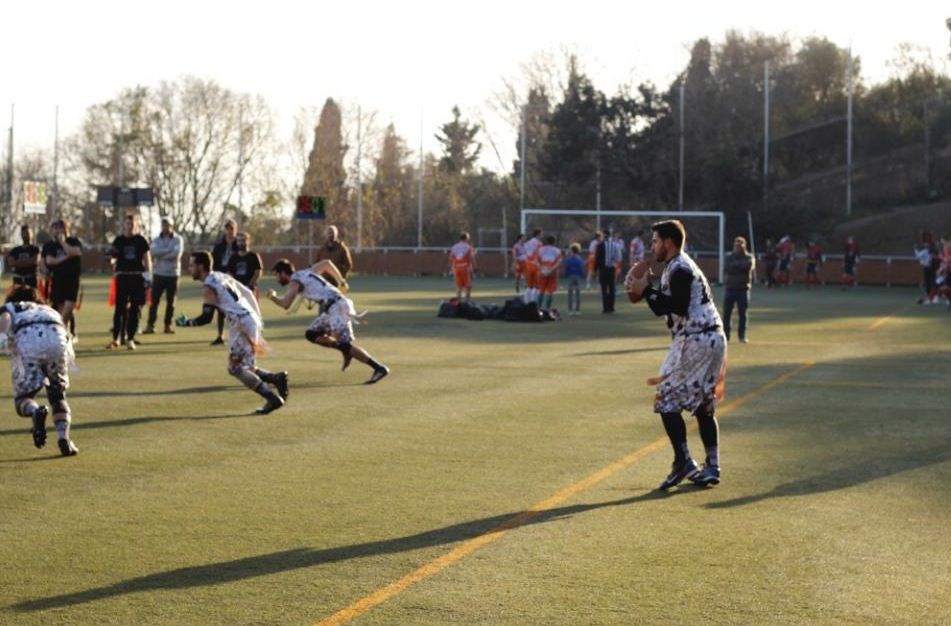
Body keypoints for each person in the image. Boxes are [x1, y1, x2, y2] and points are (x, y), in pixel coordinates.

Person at [625, 219, 727, 490]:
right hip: (712, 337)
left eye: (655, 241)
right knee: (704, 404)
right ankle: (712, 465)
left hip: (697, 338)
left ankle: (684, 461)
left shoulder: (679, 267)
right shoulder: (678, 266)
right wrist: (648, 292)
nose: (652, 246)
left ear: (668, 242)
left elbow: (678, 306)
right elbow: (664, 308)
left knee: (666, 400)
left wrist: (645, 290)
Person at [175, 251, 287, 414]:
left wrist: (187, 322)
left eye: (192, 265)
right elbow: (248, 293)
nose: (189, 268)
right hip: (249, 318)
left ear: (201, 266)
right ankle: (276, 378)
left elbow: (206, 318)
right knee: (247, 366)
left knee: (235, 368)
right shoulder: (221, 275)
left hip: (241, 324)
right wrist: (258, 319)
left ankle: (272, 398)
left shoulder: (208, 286)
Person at [267, 258, 389, 384]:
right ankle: (345, 350)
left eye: (276, 275)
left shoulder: (295, 281)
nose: (277, 279)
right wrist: (341, 281)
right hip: (333, 307)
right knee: (311, 333)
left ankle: (379, 368)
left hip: (337, 306)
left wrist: (272, 297)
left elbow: (286, 304)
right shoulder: (307, 272)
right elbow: (327, 264)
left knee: (345, 345)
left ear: (283, 273)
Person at [0, 286, 79, 456]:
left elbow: (5, 316)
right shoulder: (47, 309)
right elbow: (65, 333)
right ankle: (63, 439)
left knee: (23, 399)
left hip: (30, 340)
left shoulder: (15, 306)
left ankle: (35, 411)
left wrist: (2, 337)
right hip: (58, 340)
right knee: (58, 396)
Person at [106, 214, 151, 351]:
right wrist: (110, 260)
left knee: (135, 309)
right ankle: (116, 338)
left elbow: (147, 259)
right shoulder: (118, 240)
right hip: (122, 277)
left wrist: (149, 277)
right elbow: (113, 257)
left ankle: (130, 339)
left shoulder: (141, 241)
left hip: (137, 277)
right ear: (123, 225)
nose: (130, 226)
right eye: (127, 223)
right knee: (120, 309)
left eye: (132, 223)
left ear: (136, 225)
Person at [41, 219, 83, 341]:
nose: (58, 231)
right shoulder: (50, 246)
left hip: (72, 280)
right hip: (58, 280)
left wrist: (63, 242)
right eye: (56, 228)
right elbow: (49, 261)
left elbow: (74, 251)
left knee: (69, 308)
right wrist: (66, 257)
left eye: (61, 228)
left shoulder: (74, 241)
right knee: (59, 307)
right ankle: (64, 335)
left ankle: (64, 331)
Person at [144, 216, 183, 334]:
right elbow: (153, 252)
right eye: (163, 224)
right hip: (158, 273)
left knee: (171, 302)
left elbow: (176, 255)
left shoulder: (178, 239)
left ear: (172, 226)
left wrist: (161, 254)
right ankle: (150, 325)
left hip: (172, 274)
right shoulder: (156, 239)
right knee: (154, 301)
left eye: (167, 225)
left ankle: (167, 325)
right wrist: (167, 251)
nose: (165, 227)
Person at [210, 219, 238, 345]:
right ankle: (220, 335)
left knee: (236, 309)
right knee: (220, 308)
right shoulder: (219, 246)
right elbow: (213, 262)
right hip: (221, 279)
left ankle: (236, 335)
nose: (229, 231)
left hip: (235, 280)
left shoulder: (239, 245)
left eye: (231, 228)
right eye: (227, 228)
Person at [723, 236, 755, 343]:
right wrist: (739, 267)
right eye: (736, 245)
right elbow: (728, 268)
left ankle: (742, 336)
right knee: (727, 314)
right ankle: (725, 336)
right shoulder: (729, 257)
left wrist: (736, 266)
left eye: (740, 245)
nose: (738, 247)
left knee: (743, 314)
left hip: (743, 289)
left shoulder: (749, 257)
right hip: (730, 289)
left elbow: (747, 267)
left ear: (744, 246)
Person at [225, 231, 264, 296]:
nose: (241, 243)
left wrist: (250, 285)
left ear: (248, 241)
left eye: (243, 240)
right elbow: (229, 273)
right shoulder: (233, 257)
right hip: (236, 289)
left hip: (250, 290)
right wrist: (233, 284)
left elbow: (258, 272)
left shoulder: (254, 256)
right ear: (237, 242)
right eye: (239, 241)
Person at [7, 224, 41, 289]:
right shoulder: (15, 250)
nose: (26, 235)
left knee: (31, 299)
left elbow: (34, 261)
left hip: (31, 281)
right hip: (18, 281)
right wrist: (27, 261)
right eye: (24, 233)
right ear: (21, 235)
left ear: (32, 234)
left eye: (27, 233)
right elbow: (11, 263)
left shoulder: (35, 249)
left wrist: (18, 262)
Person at [536, 235, 564, 310]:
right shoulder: (557, 250)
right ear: (554, 242)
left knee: (541, 290)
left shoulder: (541, 249)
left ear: (547, 241)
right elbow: (559, 261)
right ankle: (547, 309)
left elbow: (536, 261)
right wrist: (551, 269)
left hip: (543, 271)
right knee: (550, 291)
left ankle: (538, 308)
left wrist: (541, 269)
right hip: (552, 271)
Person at [596, 228, 619, 313]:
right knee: (612, 289)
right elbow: (618, 258)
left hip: (603, 269)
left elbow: (597, 259)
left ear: (603, 235)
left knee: (604, 289)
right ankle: (611, 307)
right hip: (611, 269)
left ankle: (605, 308)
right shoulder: (615, 245)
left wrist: (596, 270)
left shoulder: (600, 245)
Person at [448, 232, 476, 302]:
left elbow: (450, 259)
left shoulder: (454, 246)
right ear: (466, 239)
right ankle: (467, 302)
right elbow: (472, 258)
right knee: (468, 286)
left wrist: (451, 269)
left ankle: (458, 303)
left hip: (457, 268)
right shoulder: (468, 247)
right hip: (465, 268)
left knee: (459, 287)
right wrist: (476, 267)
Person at [521, 228, 543, 304]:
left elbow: (524, 254)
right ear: (539, 234)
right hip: (535, 265)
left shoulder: (527, 243)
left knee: (529, 286)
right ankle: (534, 303)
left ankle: (526, 302)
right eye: (541, 234)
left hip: (527, 265)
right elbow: (539, 255)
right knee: (536, 286)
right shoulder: (539, 244)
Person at [563, 242, 585, 316]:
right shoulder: (579, 259)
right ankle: (578, 310)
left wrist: (565, 275)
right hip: (577, 276)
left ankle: (570, 310)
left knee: (570, 294)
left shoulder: (568, 259)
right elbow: (581, 268)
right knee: (578, 294)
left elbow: (566, 267)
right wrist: (582, 275)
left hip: (570, 276)